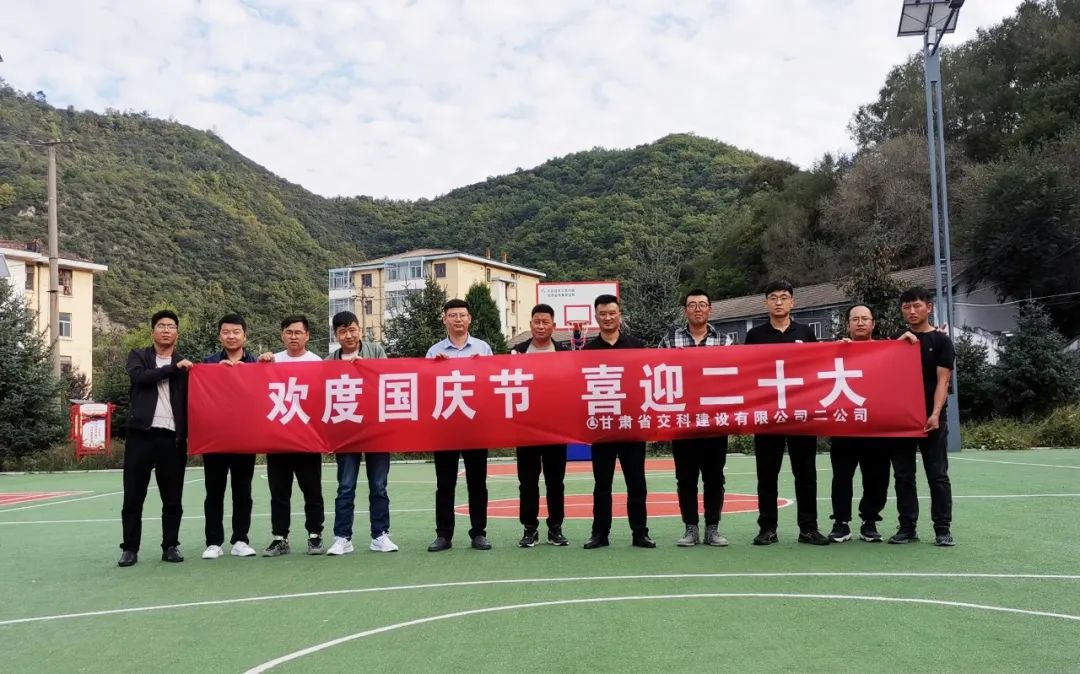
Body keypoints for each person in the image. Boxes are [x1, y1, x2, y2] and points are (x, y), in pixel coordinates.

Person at [744, 281, 830, 546]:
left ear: (793, 302)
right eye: (773, 298)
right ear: (766, 303)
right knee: (767, 475)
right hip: (768, 415)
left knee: (805, 474)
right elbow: (746, 372)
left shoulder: (805, 332)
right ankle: (767, 528)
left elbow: (819, 366)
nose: (778, 302)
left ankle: (808, 528)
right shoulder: (755, 336)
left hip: (800, 414)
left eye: (783, 297)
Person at [118, 310, 193, 567]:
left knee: (172, 497)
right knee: (133, 496)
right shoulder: (139, 356)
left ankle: (170, 545)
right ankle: (130, 548)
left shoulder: (186, 364)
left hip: (172, 439)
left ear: (177, 334)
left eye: (171, 326)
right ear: (152, 332)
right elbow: (141, 378)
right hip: (141, 436)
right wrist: (173, 369)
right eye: (161, 326)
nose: (166, 330)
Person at [582, 294, 655, 549]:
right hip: (602, 428)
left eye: (612, 313)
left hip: (631, 425)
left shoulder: (637, 346)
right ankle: (600, 533)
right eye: (602, 314)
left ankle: (640, 533)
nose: (608, 318)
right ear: (596, 317)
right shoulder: (587, 351)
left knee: (637, 483)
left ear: (619, 315)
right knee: (602, 485)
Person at [658, 289, 729, 547]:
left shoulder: (724, 341)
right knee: (686, 478)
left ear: (710, 309)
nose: (697, 309)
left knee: (714, 477)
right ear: (685, 310)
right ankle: (690, 528)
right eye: (692, 305)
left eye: (702, 304)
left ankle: (712, 528)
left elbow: (735, 377)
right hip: (683, 421)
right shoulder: (670, 340)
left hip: (715, 422)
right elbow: (657, 373)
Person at [325, 311, 398, 556]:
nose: (348, 335)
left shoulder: (375, 351)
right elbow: (321, 396)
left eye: (352, 329)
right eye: (342, 331)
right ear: (336, 335)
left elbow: (388, 380)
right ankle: (342, 537)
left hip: (376, 430)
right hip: (346, 431)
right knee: (345, 487)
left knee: (379, 485)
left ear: (360, 329)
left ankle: (380, 535)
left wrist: (365, 367)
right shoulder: (329, 361)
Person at [425, 299, 494, 552]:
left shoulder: (483, 349)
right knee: (445, 483)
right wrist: (434, 368)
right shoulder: (434, 352)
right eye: (452, 315)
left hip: (475, 425)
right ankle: (444, 535)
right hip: (445, 426)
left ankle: (479, 533)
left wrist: (482, 367)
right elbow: (425, 387)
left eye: (462, 315)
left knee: (477, 482)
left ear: (469, 319)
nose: (457, 319)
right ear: (444, 319)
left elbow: (494, 384)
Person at [889, 287, 956, 547]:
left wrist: (935, 414)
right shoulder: (897, 339)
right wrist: (897, 345)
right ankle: (907, 527)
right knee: (903, 475)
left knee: (937, 474)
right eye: (906, 307)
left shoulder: (941, 341)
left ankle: (942, 529)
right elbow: (881, 369)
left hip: (931, 417)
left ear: (929, 308)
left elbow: (943, 380)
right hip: (902, 418)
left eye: (917, 305)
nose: (912, 311)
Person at [257, 315, 326, 556]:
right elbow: (256, 390)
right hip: (278, 439)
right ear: (282, 335)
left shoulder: (317, 362)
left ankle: (315, 535)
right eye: (289, 332)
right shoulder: (272, 361)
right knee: (279, 492)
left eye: (298, 332)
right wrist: (261, 363)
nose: (293, 336)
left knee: (312, 490)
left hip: (307, 440)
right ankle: (280, 537)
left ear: (307, 335)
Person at [826, 305, 890, 543]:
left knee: (877, 477)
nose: (860, 323)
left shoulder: (888, 351)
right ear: (848, 325)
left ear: (873, 324)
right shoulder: (837, 351)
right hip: (845, 425)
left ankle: (869, 521)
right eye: (855, 319)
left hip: (877, 427)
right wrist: (835, 350)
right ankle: (841, 522)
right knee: (841, 477)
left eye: (865, 319)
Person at [200, 313, 258, 559]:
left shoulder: (257, 364)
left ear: (245, 336)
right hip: (215, 438)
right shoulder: (207, 364)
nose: (231, 336)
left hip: (245, 437)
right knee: (214, 491)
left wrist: (264, 367)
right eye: (226, 332)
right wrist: (215, 372)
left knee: (242, 491)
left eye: (236, 332)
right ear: (219, 336)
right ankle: (213, 542)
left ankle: (240, 539)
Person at [511, 304, 569, 547]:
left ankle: (555, 528)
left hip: (556, 428)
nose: (541, 326)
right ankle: (529, 528)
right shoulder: (517, 352)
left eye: (546, 322)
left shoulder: (565, 352)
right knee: (527, 482)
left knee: (555, 481)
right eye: (537, 321)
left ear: (553, 326)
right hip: (526, 428)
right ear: (530, 324)